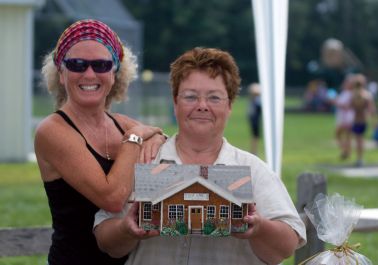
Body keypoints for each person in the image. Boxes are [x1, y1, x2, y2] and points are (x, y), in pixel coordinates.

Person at [94, 47, 306, 265]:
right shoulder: (142, 162)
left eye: (214, 98)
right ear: (175, 103)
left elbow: (287, 246)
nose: (202, 106)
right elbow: (105, 240)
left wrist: (259, 227)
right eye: (191, 96)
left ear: (230, 105)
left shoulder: (254, 170)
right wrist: (125, 229)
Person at [34, 19, 166, 265]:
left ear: (115, 74)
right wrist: (134, 140)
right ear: (61, 74)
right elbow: (112, 198)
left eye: (102, 65)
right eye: (77, 64)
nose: (89, 74)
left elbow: (169, 156)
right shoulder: (52, 130)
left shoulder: (123, 123)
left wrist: (157, 137)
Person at [350, 74, 378, 167]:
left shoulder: (353, 95)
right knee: (361, 140)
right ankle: (360, 159)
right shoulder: (367, 95)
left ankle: (359, 159)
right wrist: (374, 121)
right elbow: (371, 109)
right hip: (363, 120)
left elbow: (350, 107)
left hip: (355, 120)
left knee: (358, 140)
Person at [334, 74, 355, 160]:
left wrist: (338, 103)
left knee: (342, 135)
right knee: (344, 136)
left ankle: (345, 151)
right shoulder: (345, 92)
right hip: (343, 117)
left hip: (347, 118)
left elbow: (347, 106)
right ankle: (346, 151)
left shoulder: (351, 94)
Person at [247, 83, 262, 155]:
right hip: (255, 119)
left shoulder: (254, 100)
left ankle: (254, 151)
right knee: (255, 136)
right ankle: (254, 151)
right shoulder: (256, 100)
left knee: (255, 136)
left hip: (254, 119)